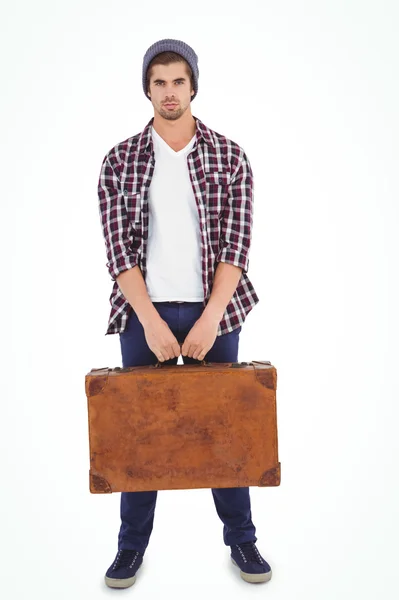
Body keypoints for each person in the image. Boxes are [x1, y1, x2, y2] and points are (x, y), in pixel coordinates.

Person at [97, 38, 272, 588]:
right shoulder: (121, 160)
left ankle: (243, 542)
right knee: (139, 436)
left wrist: (211, 317)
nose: (169, 92)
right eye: (159, 83)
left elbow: (236, 248)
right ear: (147, 90)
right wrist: (148, 320)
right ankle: (130, 550)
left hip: (214, 312)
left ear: (193, 84)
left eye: (178, 81)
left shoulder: (229, 155)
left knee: (227, 432)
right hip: (143, 313)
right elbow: (118, 251)